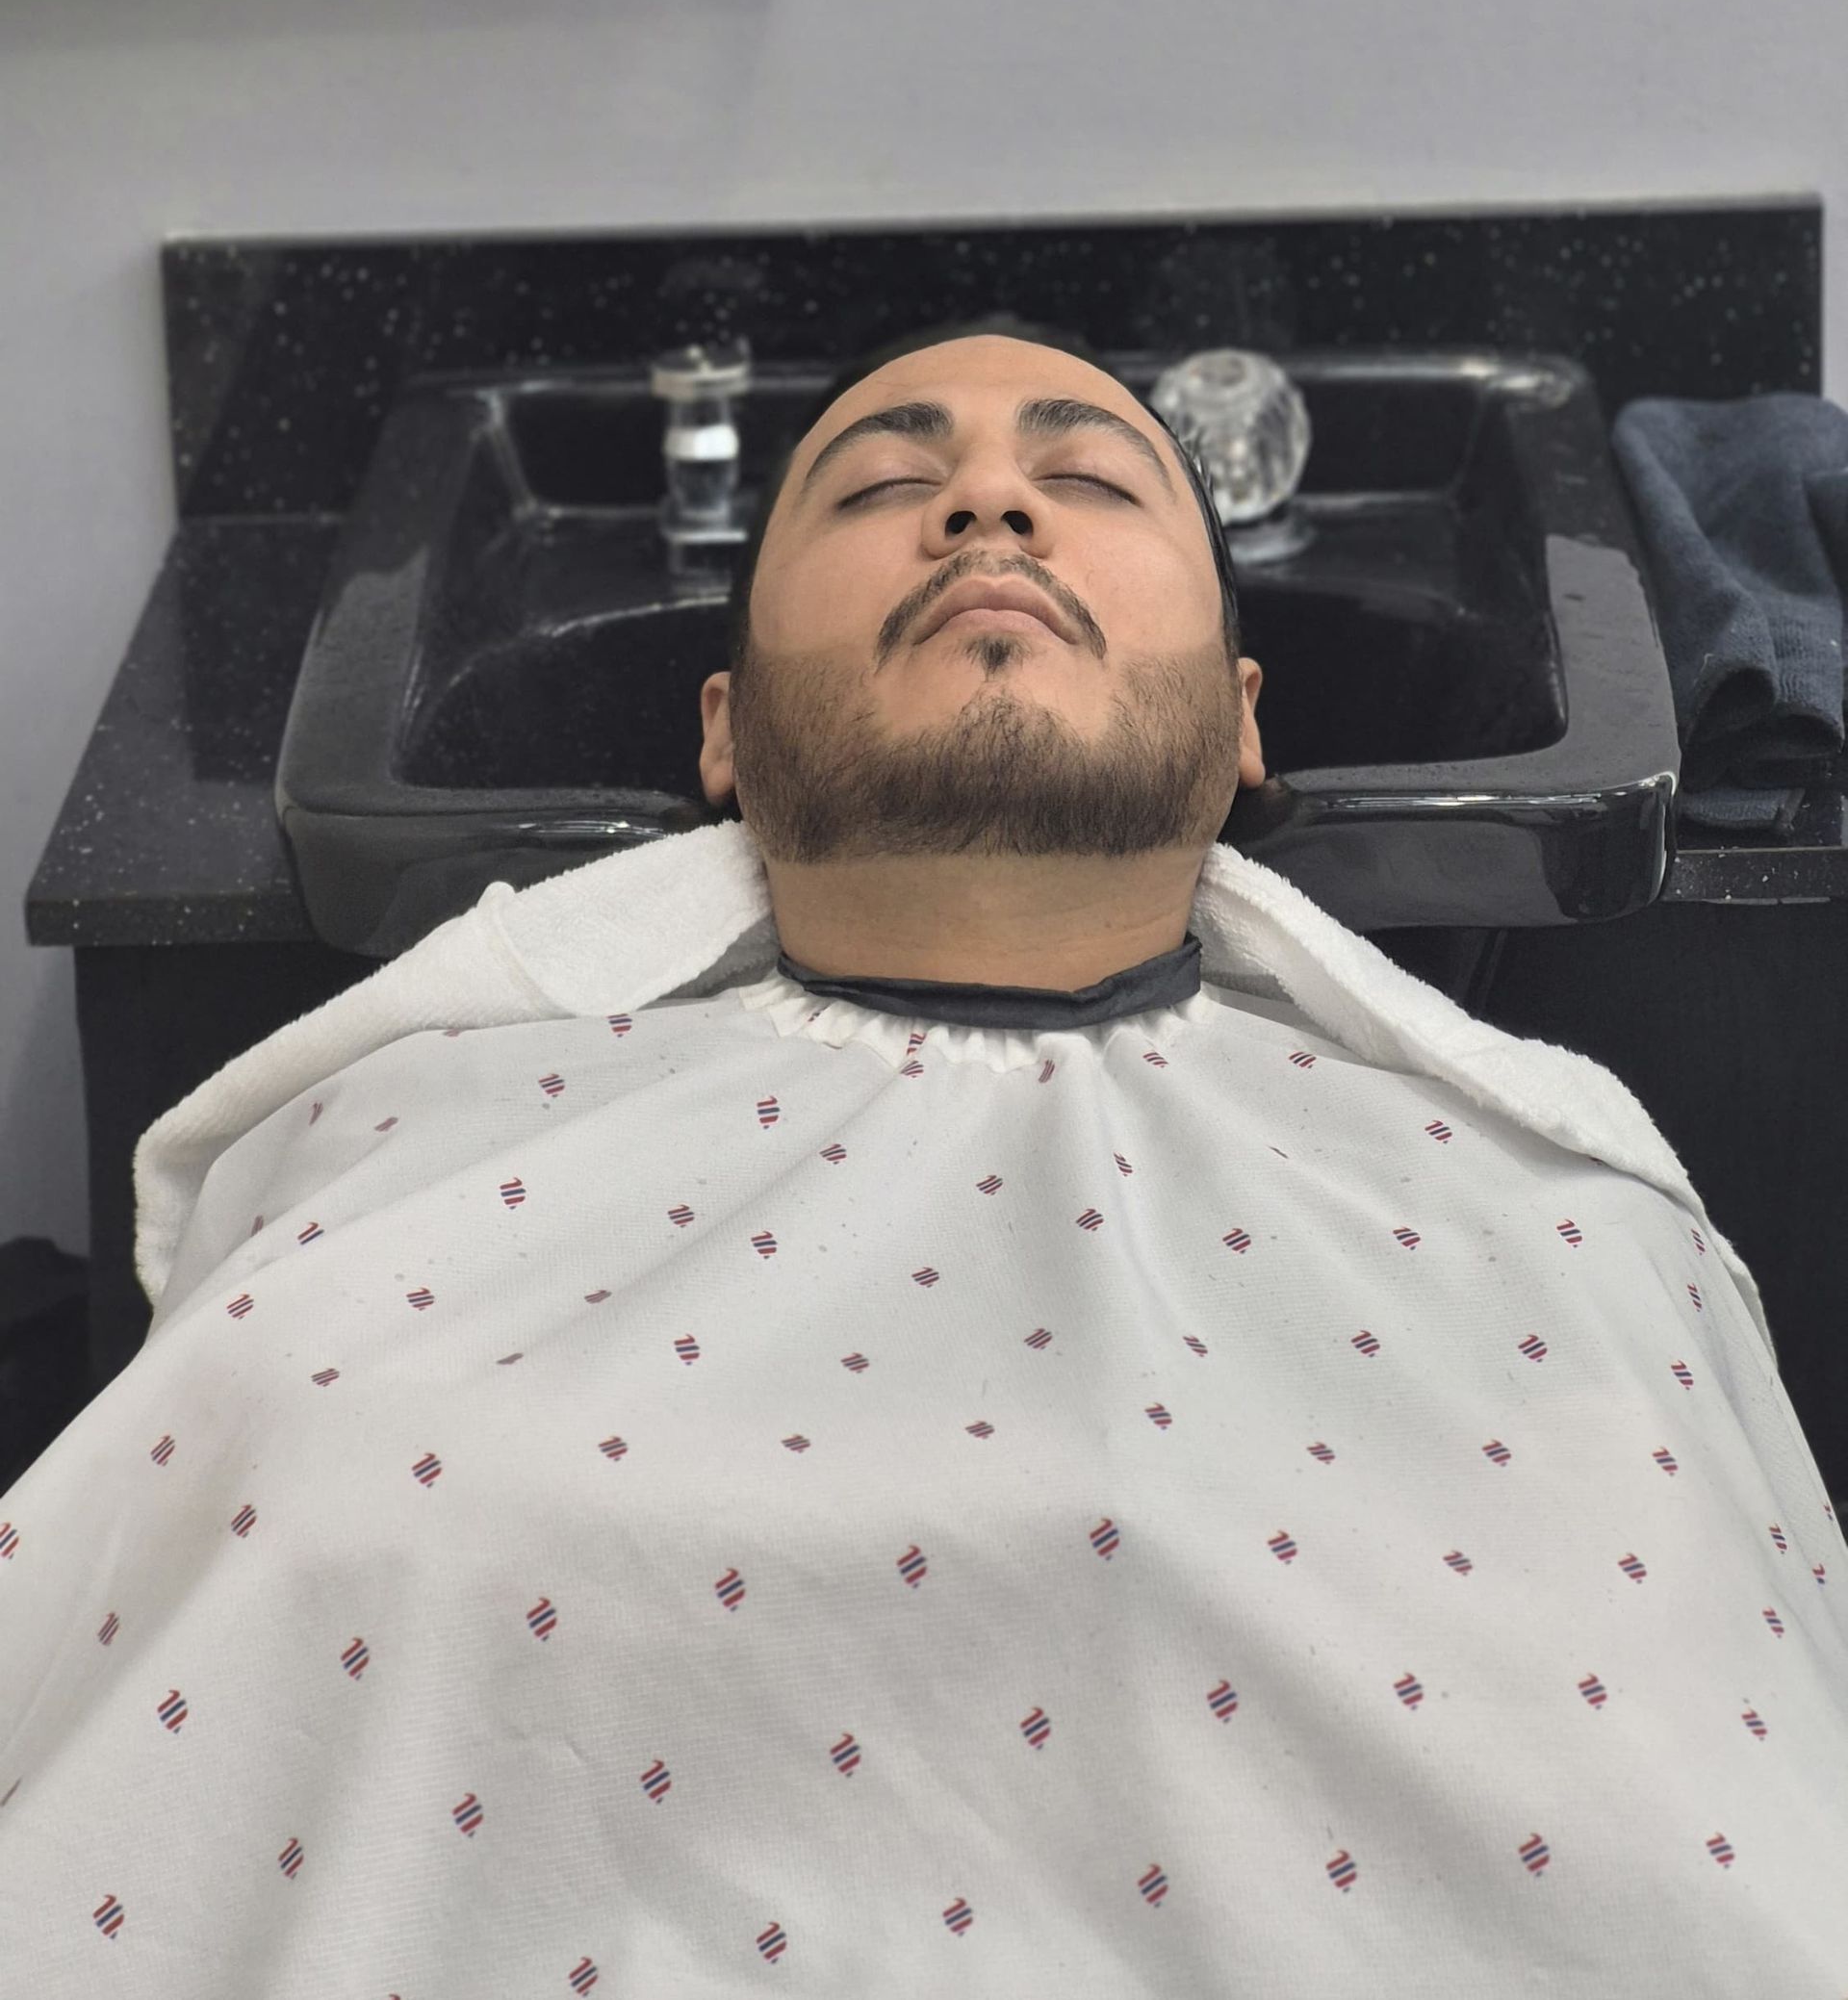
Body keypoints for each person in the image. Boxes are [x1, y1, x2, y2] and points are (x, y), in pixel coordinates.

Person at [3, 323, 1844, 1998]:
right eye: (886, 481)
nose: (984, 498)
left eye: (1093, 477)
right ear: (722, 731)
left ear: (1244, 719)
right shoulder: (387, 1190)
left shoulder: (1550, 1250)